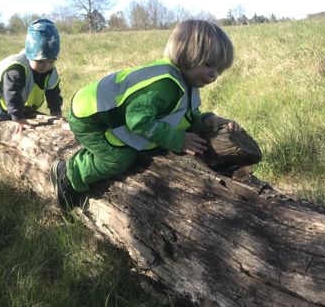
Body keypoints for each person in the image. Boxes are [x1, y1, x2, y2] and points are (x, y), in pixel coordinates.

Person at [51, 19, 242, 209]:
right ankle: (68, 176)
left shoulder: (187, 85)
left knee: (130, 150)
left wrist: (209, 121)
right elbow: (138, 121)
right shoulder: (164, 85)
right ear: (186, 54)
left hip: (109, 115)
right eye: (209, 65)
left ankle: (86, 159)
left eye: (219, 70)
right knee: (119, 158)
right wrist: (177, 140)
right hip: (91, 117)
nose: (214, 75)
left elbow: (185, 117)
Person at [0, 18, 63, 134]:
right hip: (2, 103)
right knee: (2, 125)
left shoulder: (51, 71)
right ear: (29, 56)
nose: (46, 66)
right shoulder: (16, 69)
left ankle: (20, 113)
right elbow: (12, 93)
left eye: (51, 61)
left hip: (21, 104)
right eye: (40, 61)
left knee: (26, 119)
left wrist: (56, 113)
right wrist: (18, 119)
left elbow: (54, 94)